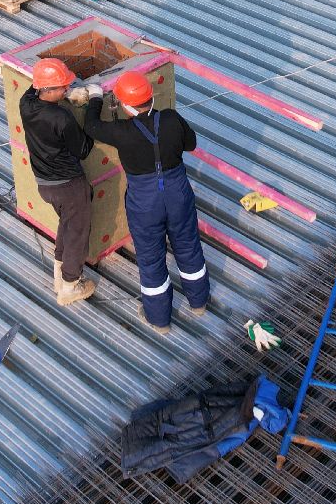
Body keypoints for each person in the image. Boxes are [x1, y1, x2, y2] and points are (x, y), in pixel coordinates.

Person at [83, 69, 209, 334]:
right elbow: (191, 144)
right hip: (178, 193)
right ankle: (198, 303)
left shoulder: (121, 132)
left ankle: (160, 320)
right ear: (151, 98)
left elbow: (91, 127)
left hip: (145, 202)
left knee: (151, 259)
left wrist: (95, 98)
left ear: (126, 106)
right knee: (188, 246)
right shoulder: (172, 119)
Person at [19, 57, 97, 305]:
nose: (66, 90)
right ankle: (71, 286)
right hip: (70, 186)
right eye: (63, 87)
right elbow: (84, 149)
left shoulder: (26, 104)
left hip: (46, 185)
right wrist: (94, 103)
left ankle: (59, 274)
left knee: (67, 225)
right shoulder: (61, 118)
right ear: (48, 89)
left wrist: (65, 91)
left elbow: (34, 86)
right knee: (77, 233)